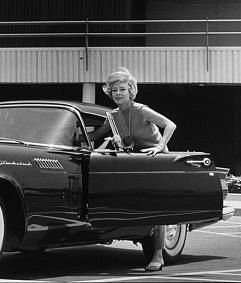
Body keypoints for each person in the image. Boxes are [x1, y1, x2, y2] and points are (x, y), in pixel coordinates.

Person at [89, 67, 177, 272]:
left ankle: (157, 255)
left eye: (122, 89)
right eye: (114, 90)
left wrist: (159, 145)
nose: (118, 93)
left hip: (155, 160)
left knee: (154, 206)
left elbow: (170, 125)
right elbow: (97, 135)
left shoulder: (141, 110)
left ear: (131, 90)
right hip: (133, 160)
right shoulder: (112, 115)